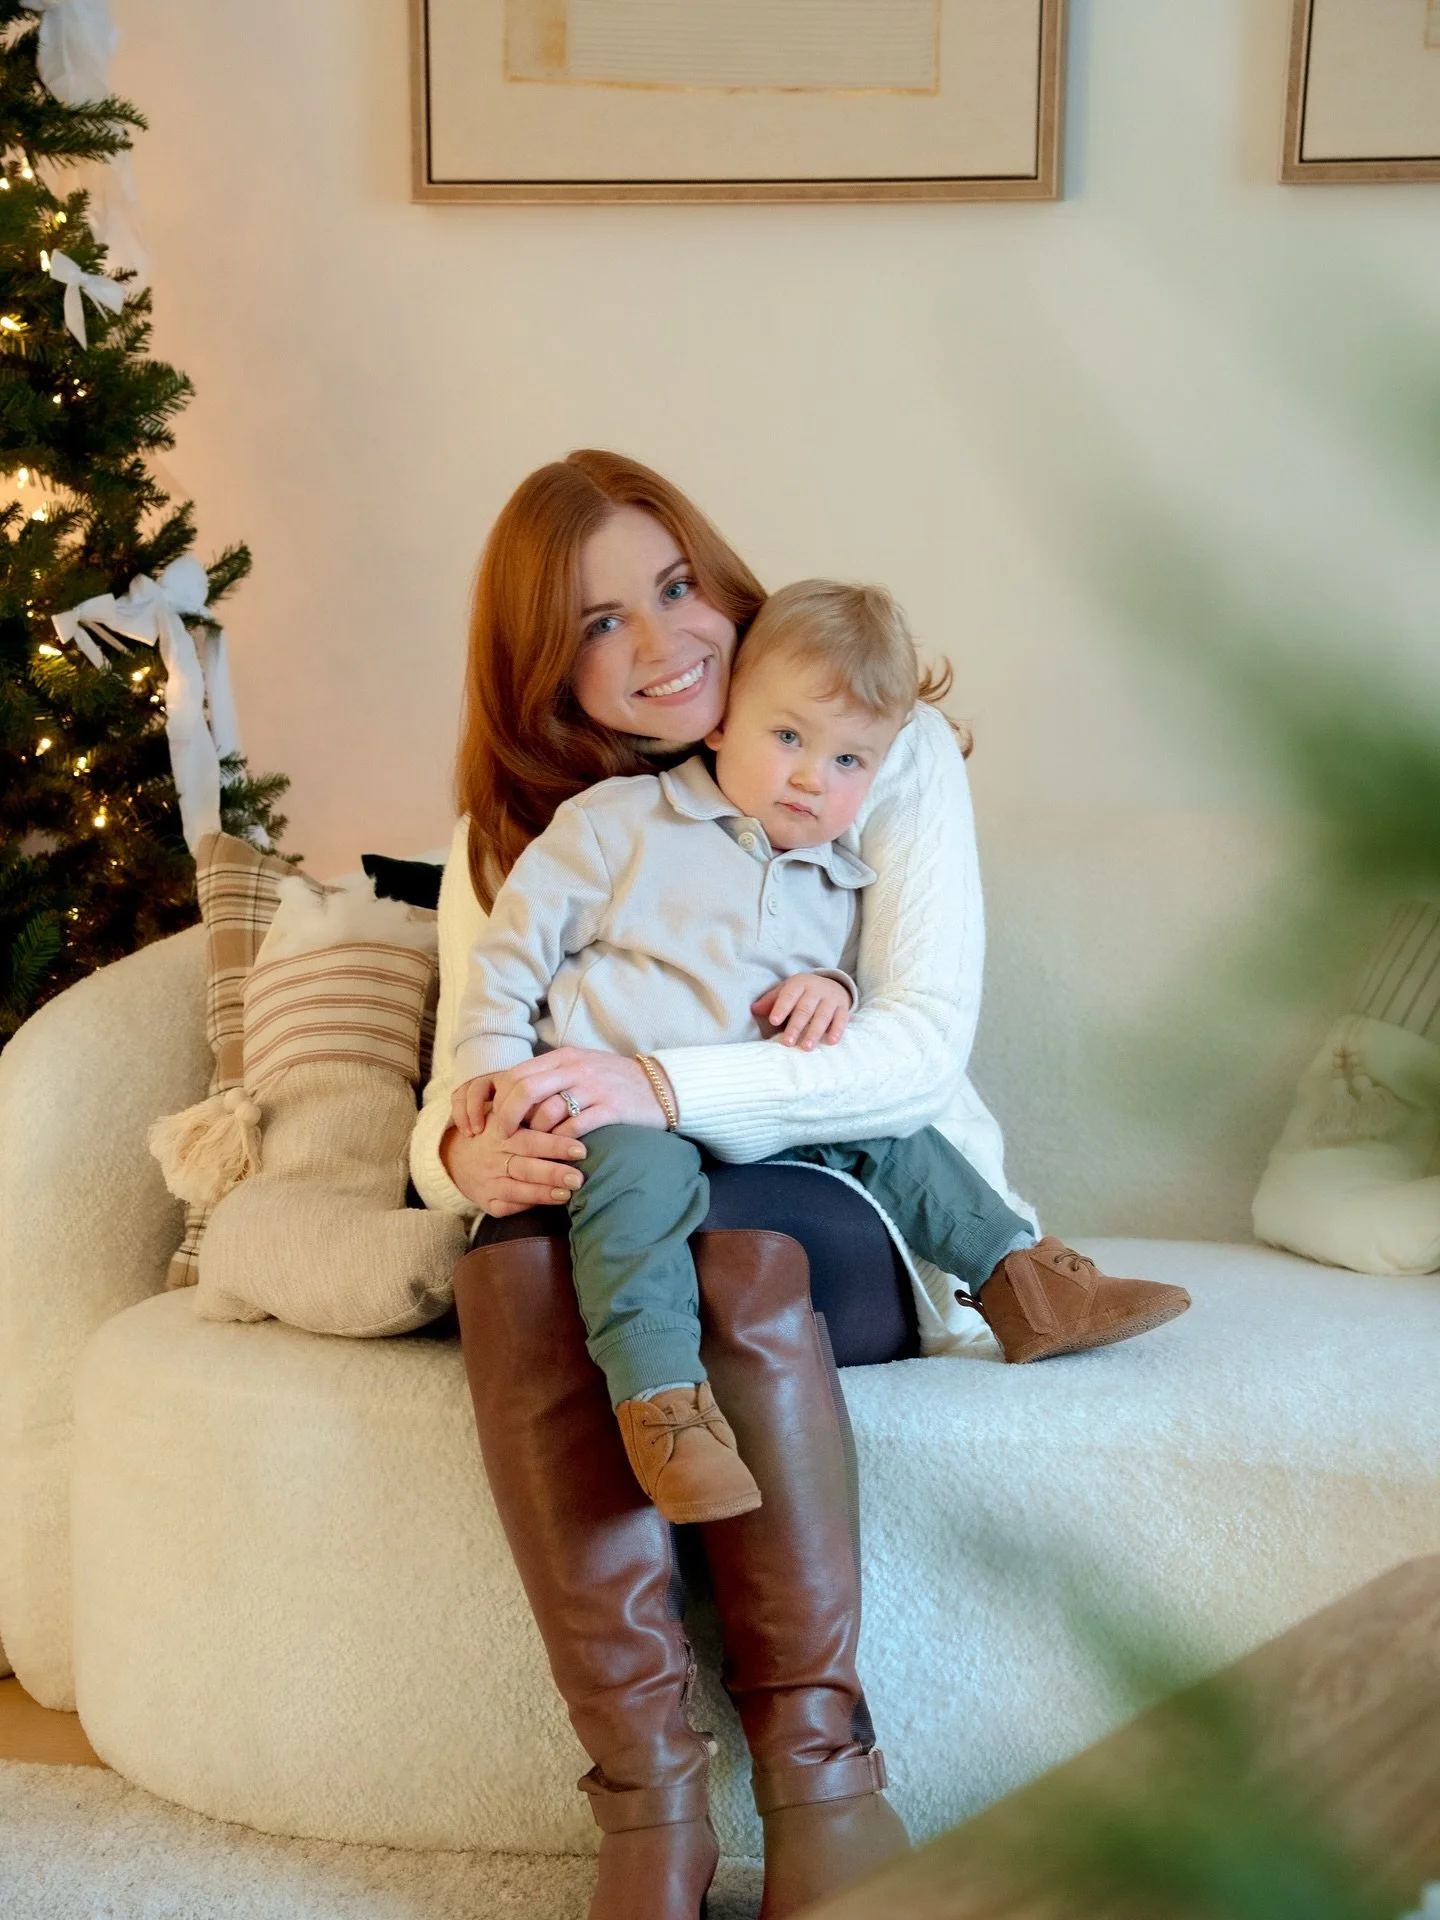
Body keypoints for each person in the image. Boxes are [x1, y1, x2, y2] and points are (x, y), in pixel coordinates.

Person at [408, 450, 1092, 1919]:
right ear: (545, 668)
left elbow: (917, 1048)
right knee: (511, 1263)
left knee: (723, 1255)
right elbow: (466, 1067)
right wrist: (466, 1149)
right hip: (601, 1200)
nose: (661, 644)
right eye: (599, 623)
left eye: (672, 588)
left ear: (720, 577)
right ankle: (651, 1808)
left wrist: (662, 1084)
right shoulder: (535, 828)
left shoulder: (872, 745)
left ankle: (826, 1787)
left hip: (835, 1187)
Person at [446, 579, 1189, 1529]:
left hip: (758, 1122)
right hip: (619, 1114)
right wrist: (489, 1078)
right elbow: (509, 959)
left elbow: (864, 1010)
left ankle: (1029, 1284)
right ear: (719, 724)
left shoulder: (838, 873)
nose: (811, 778)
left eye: (848, 761)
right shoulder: (618, 826)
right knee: (635, 1204)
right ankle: (664, 1404)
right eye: (788, 738)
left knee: (904, 1136)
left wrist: (832, 991)